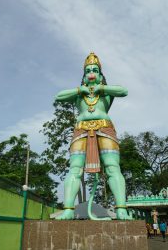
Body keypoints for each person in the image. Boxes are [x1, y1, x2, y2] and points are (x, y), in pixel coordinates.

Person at [55, 52, 132, 220]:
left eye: (95, 70)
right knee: (75, 168)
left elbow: (124, 91)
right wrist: (79, 90)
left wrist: (102, 88)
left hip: (105, 128)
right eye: (88, 70)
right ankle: (68, 209)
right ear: (83, 76)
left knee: (112, 167)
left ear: (100, 74)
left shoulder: (106, 92)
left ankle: (121, 209)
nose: (91, 73)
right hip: (81, 129)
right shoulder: (79, 94)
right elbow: (58, 96)